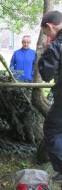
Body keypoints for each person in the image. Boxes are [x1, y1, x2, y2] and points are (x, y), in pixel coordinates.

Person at [38, 10, 62, 183]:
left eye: (47, 33)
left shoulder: (56, 46)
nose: (49, 37)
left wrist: (46, 50)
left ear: (50, 26)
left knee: (52, 130)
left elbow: (46, 74)